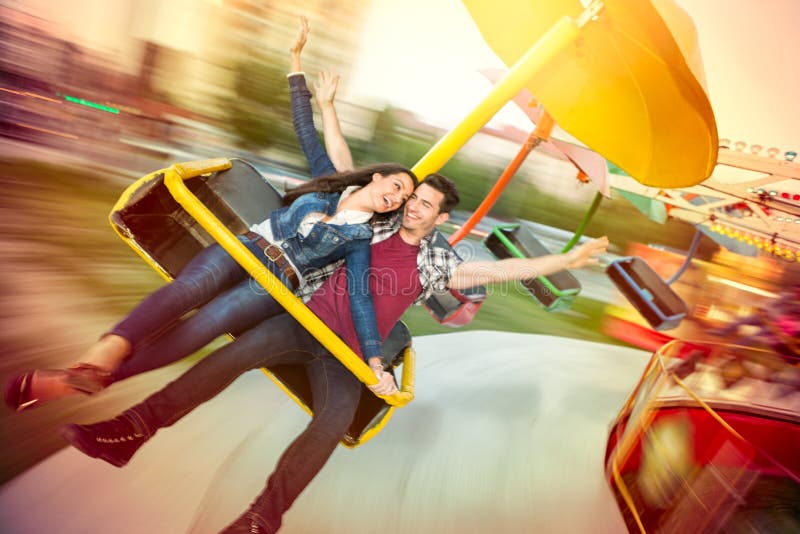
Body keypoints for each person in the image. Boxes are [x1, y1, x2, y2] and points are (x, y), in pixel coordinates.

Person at [59, 19, 610, 532]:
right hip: (303, 322)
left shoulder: (439, 261)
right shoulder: (371, 224)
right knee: (223, 363)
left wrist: (564, 261)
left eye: (426, 206)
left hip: (347, 355)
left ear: (443, 219)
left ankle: (258, 522)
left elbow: (505, 267)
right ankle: (129, 431)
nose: (413, 208)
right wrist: (326, 105)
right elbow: (343, 165)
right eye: (411, 198)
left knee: (327, 429)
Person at [4, 49, 417, 412]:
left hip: (273, 283)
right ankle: (101, 357)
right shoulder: (331, 182)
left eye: (402, 200)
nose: (396, 198)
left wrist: (375, 363)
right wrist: (296, 66)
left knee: (202, 327)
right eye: (396, 186)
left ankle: (84, 380)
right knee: (186, 291)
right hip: (245, 247)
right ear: (377, 178)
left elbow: (361, 299)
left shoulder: (360, 239)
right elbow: (305, 130)